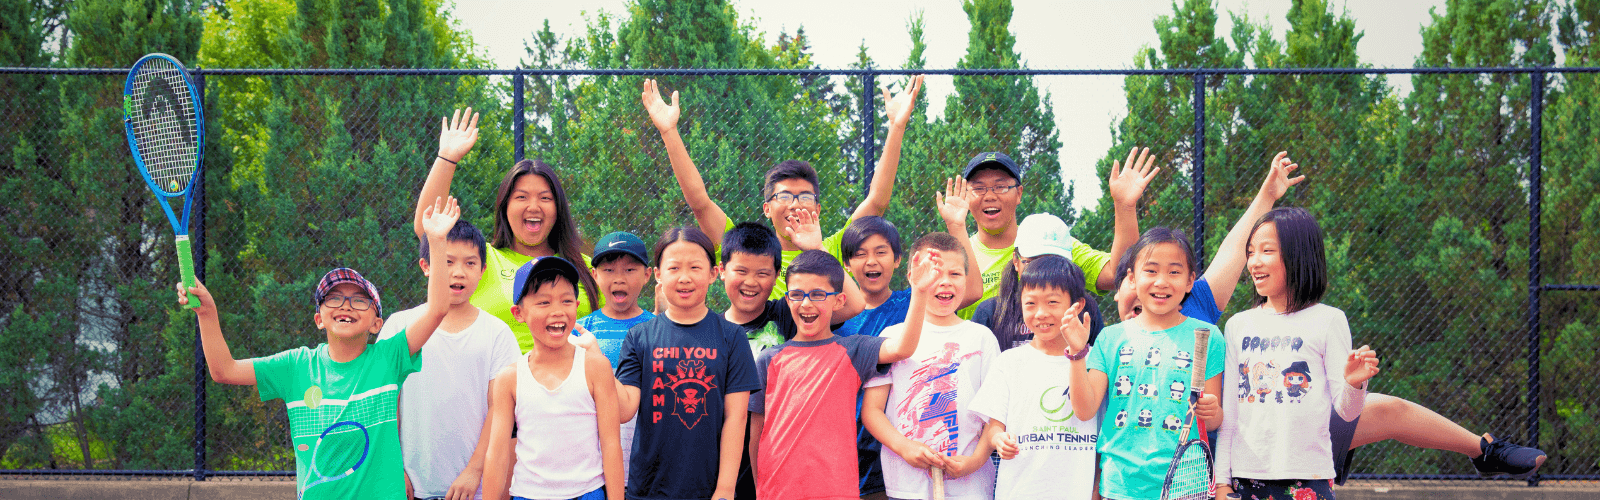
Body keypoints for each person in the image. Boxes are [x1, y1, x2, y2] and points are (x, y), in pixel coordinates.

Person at [1109, 152, 1546, 482]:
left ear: (1184, 282)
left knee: (1385, 407)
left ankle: (1484, 450)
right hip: (1233, 461)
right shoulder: (1112, 344)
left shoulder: (1198, 313)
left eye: (1164, 274)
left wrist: (1265, 195)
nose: (1152, 288)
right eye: (1138, 280)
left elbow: (1236, 247)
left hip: (1291, 441)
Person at [181, 196, 461, 499]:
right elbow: (224, 370)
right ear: (319, 319)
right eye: (334, 298)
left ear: (376, 324)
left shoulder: (389, 357)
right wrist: (207, 313)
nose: (346, 306)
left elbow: (437, 309)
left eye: (359, 300)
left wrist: (436, 240)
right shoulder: (295, 366)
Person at [640, 76, 924, 298]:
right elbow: (699, 202)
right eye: (784, 196)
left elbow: (876, 201)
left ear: (818, 208)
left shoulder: (832, 248)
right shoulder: (743, 249)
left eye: (805, 196)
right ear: (767, 208)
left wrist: (896, 128)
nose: (796, 203)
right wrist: (669, 131)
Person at [1209, 207, 1378, 500]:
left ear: (1298, 254)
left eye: (1267, 251)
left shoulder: (1330, 320)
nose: (1254, 262)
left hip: (1310, 478)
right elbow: (1230, 416)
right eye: (1250, 252)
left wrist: (1354, 384)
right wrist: (1222, 482)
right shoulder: (1238, 325)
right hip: (1244, 481)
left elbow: (1347, 412)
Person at [745, 249, 940, 500]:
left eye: (817, 294)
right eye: (797, 295)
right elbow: (756, 436)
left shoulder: (853, 350)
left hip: (838, 492)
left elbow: (903, 347)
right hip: (777, 493)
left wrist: (920, 292)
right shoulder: (769, 360)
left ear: (838, 301)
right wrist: (760, 490)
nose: (806, 303)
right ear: (787, 299)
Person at [415, 108, 603, 352]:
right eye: (521, 197)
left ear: (559, 209)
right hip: (494, 387)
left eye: (545, 198)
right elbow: (428, 228)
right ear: (504, 207)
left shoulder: (587, 268)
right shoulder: (482, 259)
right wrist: (447, 158)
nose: (533, 206)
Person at [1065, 227, 1226, 500]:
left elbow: (1212, 422)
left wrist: (1212, 413)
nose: (1161, 282)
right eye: (1151, 270)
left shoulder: (1208, 337)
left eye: (1174, 272)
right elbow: (1084, 409)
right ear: (1132, 277)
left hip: (1186, 488)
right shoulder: (1110, 338)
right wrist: (1078, 353)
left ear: (1190, 281)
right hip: (1119, 488)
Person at [376, 220, 521, 500]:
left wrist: (475, 471)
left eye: (470, 263)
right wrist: (393, 467)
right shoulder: (399, 326)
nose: (458, 272)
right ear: (425, 266)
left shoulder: (497, 333)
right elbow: (384, 403)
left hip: (474, 489)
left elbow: (500, 410)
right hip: (408, 486)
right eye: (447, 261)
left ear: (483, 271)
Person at [615, 227, 761, 500]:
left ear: (713, 273)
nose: (684, 278)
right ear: (658, 274)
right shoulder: (639, 337)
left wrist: (726, 489)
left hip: (709, 489)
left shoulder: (731, 336)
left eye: (695, 267)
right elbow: (624, 410)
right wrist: (594, 362)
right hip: (648, 490)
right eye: (673, 268)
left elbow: (736, 417)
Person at [863, 233, 1001, 500]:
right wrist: (904, 448)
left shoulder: (982, 338)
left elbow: (995, 416)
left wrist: (974, 461)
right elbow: (872, 411)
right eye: (934, 273)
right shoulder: (891, 337)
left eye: (955, 273)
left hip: (970, 486)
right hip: (906, 484)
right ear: (913, 276)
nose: (945, 282)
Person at [481, 256, 625, 500]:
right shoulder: (509, 378)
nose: (557, 311)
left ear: (576, 305)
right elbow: (497, 454)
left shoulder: (596, 368)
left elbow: (611, 445)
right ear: (519, 313)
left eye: (566, 301)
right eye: (543, 302)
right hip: (528, 494)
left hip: (587, 493)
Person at [955, 147, 1156, 318]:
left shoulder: (1052, 243)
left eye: (1000, 186)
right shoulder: (957, 255)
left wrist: (1125, 207)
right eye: (979, 188)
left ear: (1019, 193)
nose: (990, 196)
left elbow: (1118, 274)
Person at [971, 255, 1099, 500]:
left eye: (1052, 302)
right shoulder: (1008, 362)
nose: (1041, 313)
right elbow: (993, 426)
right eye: (1030, 304)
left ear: (1078, 304)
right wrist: (999, 439)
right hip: (1019, 491)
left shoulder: (1096, 361)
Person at [721, 213, 866, 355]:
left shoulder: (787, 314)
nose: (751, 282)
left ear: (776, 276)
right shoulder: (708, 329)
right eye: (741, 271)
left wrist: (817, 249)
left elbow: (854, 305)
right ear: (722, 270)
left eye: (762, 274)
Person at [576, 231, 657, 476]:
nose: (619, 279)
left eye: (630, 270)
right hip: (592, 465)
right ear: (594, 275)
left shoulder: (659, 330)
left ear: (647, 275)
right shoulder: (580, 330)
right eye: (609, 270)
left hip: (645, 462)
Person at [969, 213, 1105, 350]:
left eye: (1052, 261)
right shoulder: (990, 311)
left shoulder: (1085, 308)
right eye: (1032, 262)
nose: (1042, 270)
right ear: (1016, 261)